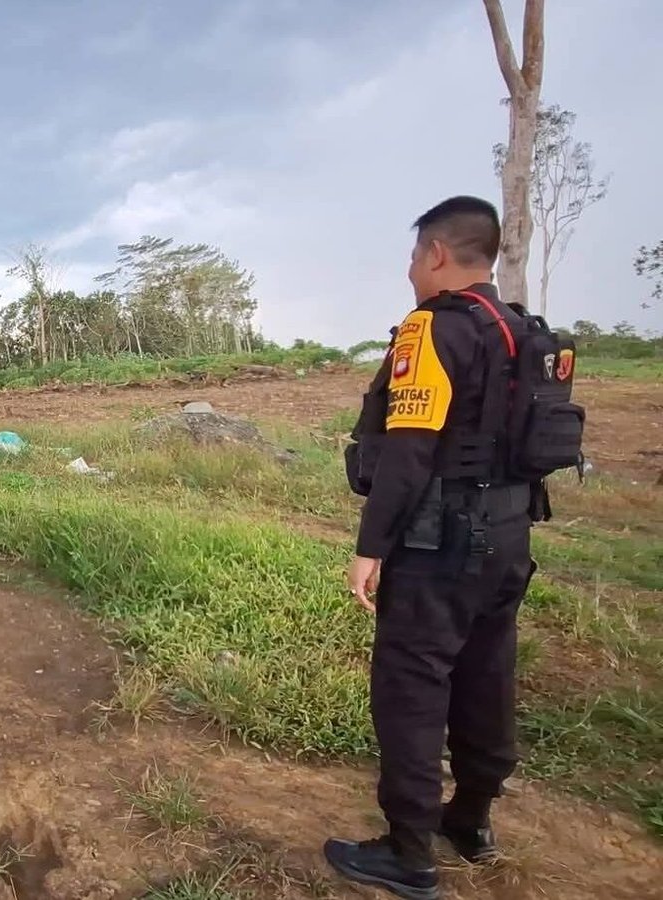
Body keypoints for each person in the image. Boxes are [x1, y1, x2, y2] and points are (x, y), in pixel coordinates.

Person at [326, 196, 544, 900]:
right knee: (486, 676)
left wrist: (371, 546)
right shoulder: (521, 330)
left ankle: (408, 852)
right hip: (509, 540)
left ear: (438, 254)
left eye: (415, 256)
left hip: (439, 547)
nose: (411, 270)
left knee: (412, 688)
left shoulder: (431, 329)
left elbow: (409, 450)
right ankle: (471, 821)